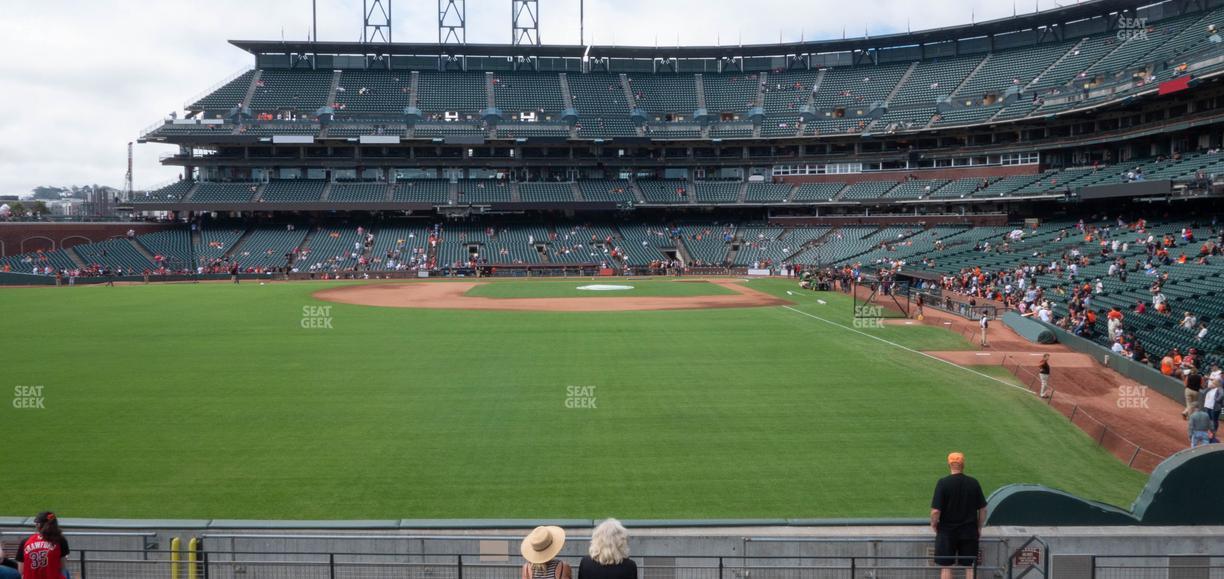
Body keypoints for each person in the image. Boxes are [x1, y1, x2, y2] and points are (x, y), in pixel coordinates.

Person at [931, 452, 986, 579]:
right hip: (969, 531)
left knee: (946, 567)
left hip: (946, 532)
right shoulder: (973, 483)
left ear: (949, 464)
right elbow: (983, 509)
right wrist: (979, 527)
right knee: (970, 567)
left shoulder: (943, 483)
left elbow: (935, 511)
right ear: (963, 464)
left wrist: (934, 524)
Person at [15, 511, 69, 579]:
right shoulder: (61, 540)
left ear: (38, 525)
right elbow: (62, 566)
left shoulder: (25, 541)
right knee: (65, 572)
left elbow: (21, 571)